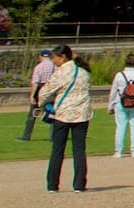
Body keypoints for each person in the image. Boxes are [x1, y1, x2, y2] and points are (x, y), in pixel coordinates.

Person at [37, 45, 93, 193]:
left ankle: (52, 185)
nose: (53, 61)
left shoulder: (61, 72)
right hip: (82, 114)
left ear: (63, 57)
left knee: (57, 150)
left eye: (54, 57)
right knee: (79, 150)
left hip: (63, 114)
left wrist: (41, 104)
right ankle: (79, 184)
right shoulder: (84, 72)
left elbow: (45, 91)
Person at [108, 54, 134, 158]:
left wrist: (110, 106)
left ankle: (118, 151)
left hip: (120, 102)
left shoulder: (119, 75)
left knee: (120, 127)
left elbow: (113, 91)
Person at [18, 50, 54, 142]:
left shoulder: (39, 67)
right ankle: (53, 137)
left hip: (40, 90)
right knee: (52, 113)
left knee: (32, 115)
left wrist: (32, 96)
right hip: (51, 91)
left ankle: (26, 136)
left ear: (41, 57)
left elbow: (36, 82)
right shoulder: (55, 66)